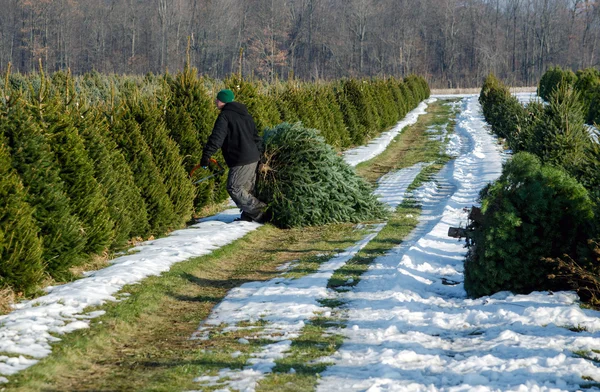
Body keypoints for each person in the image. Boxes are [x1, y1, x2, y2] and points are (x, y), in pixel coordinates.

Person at [199, 89, 267, 223]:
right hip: (253, 157)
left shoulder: (225, 116)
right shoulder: (245, 114)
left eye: (217, 100)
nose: (215, 102)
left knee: (234, 187)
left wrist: (206, 155)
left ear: (222, 101)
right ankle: (248, 216)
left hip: (240, 158)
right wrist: (261, 156)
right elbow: (256, 137)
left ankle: (261, 212)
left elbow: (217, 138)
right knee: (246, 189)